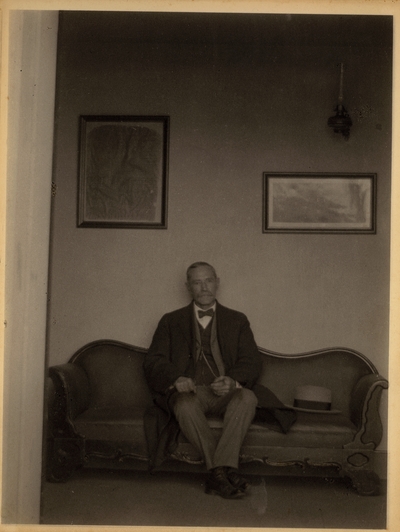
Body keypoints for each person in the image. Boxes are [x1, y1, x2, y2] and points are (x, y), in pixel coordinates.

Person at [143, 261, 263, 499]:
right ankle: (222, 471)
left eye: (208, 280)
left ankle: (217, 473)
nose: (204, 287)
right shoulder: (170, 320)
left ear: (217, 282)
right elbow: (153, 361)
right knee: (184, 404)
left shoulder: (238, 320)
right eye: (197, 282)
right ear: (188, 287)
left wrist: (232, 380)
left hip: (224, 394)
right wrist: (176, 378)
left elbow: (252, 361)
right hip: (191, 394)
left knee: (247, 397)